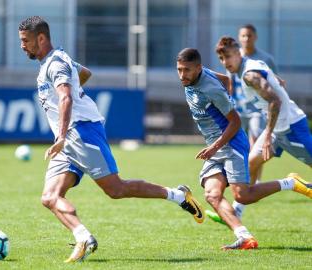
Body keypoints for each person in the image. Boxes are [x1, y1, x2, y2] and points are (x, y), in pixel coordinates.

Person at [18, 16, 204, 263]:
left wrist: (62, 134)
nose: (22, 46)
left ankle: (178, 195)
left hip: (80, 132)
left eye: (25, 41)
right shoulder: (55, 61)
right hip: (67, 139)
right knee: (49, 197)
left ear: (41, 38)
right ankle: (84, 237)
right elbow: (84, 73)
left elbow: (66, 98)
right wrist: (74, 95)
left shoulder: (55, 64)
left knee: (116, 190)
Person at [176, 47, 311, 250]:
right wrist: (229, 95)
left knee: (243, 196)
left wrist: (215, 144)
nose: (182, 75)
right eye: (179, 69)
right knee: (212, 194)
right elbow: (226, 79)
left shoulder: (210, 88)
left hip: (231, 143)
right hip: (216, 146)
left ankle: (290, 183)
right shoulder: (203, 75)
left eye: (186, 70)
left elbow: (236, 122)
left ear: (198, 68)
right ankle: (244, 237)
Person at [214, 36, 312, 221]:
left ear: (238, 53)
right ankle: (237, 211)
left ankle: (298, 183)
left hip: (292, 128)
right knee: (251, 163)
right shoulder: (252, 64)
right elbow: (270, 80)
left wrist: (266, 135)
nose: (225, 62)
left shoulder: (249, 75)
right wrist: (276, 80)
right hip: (276, 129)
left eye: (227, 56)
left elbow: (275, 100)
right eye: (221, 58)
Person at [207, 25, 279, 223]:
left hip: (258, 112)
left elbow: (276, 83)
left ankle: (251, 188)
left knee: (254, 150)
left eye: (248, 35)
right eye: (242, 36)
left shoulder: (262, 60)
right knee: (246, 152)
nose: (245, 38)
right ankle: (245, 194)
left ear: (254, 37)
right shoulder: (230, 59)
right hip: (239, 111)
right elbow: (230, 83)